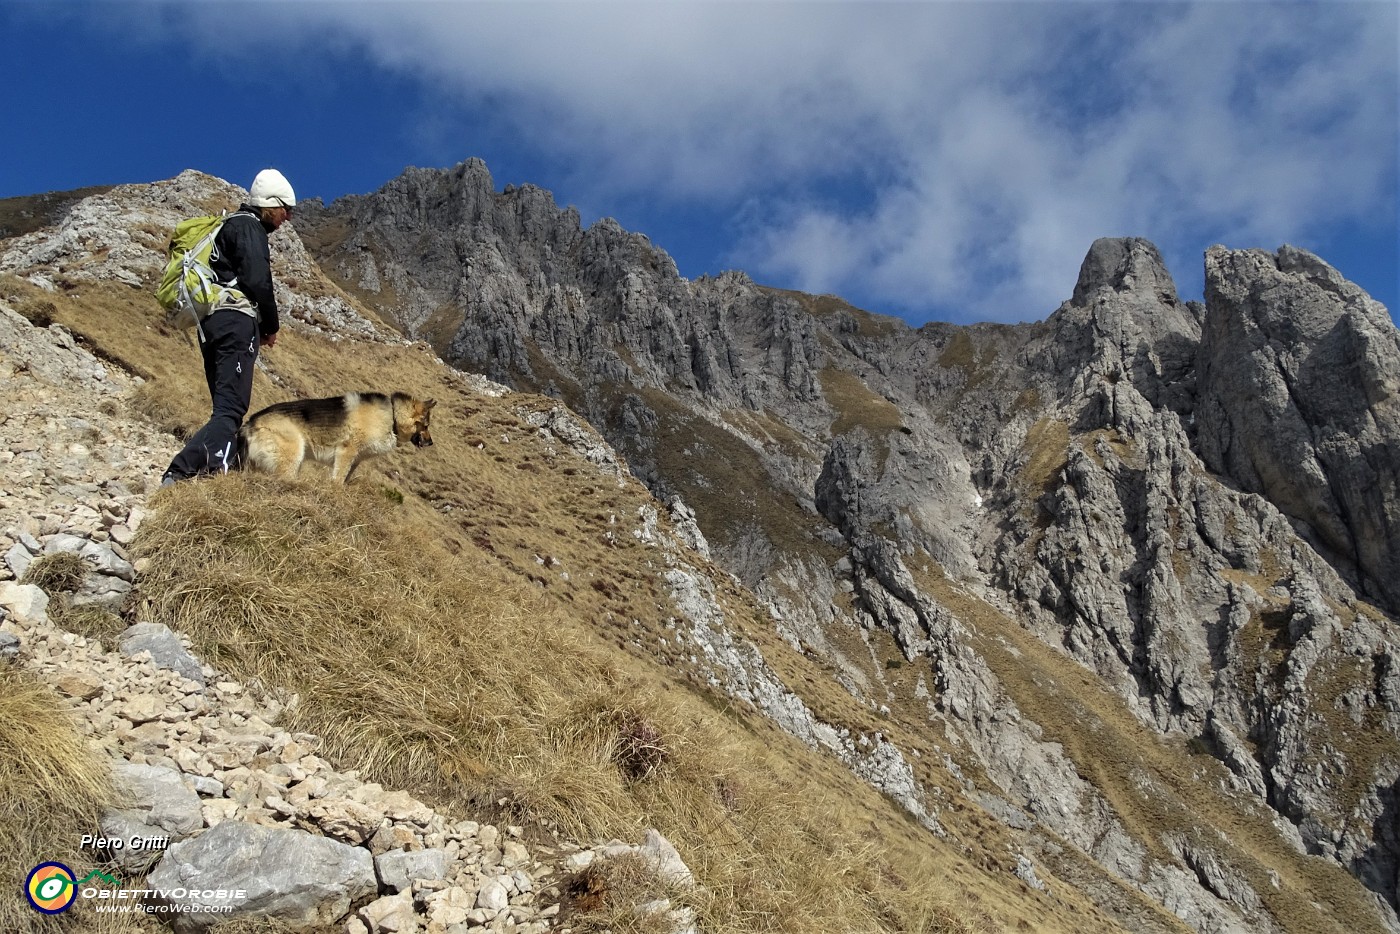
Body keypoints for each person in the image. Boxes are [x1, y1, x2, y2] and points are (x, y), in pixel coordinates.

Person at [161, 169, 295, 486]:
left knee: (226, 407)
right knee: (231, 409)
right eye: (285, 210)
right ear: (270, 205)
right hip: (235, 322)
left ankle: (218, 472)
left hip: (212, 324)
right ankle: (183, 471)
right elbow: (258, 282)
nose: (287, 218)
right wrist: (270, 326)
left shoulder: (229, 226)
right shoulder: (249, 228)